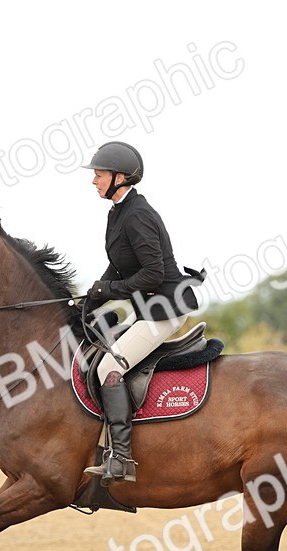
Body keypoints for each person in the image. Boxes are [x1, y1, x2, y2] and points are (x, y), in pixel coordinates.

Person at [80, 141, 202, 484]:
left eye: (99, 175)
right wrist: (92, 298)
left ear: (120, 177)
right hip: (148, 309)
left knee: (108, 367)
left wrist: (108, 290)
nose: (94, 180)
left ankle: (121, 459)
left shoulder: (137, 215)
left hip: (164, 310)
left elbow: (153, 274)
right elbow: (119, 266)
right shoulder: (118, 212)